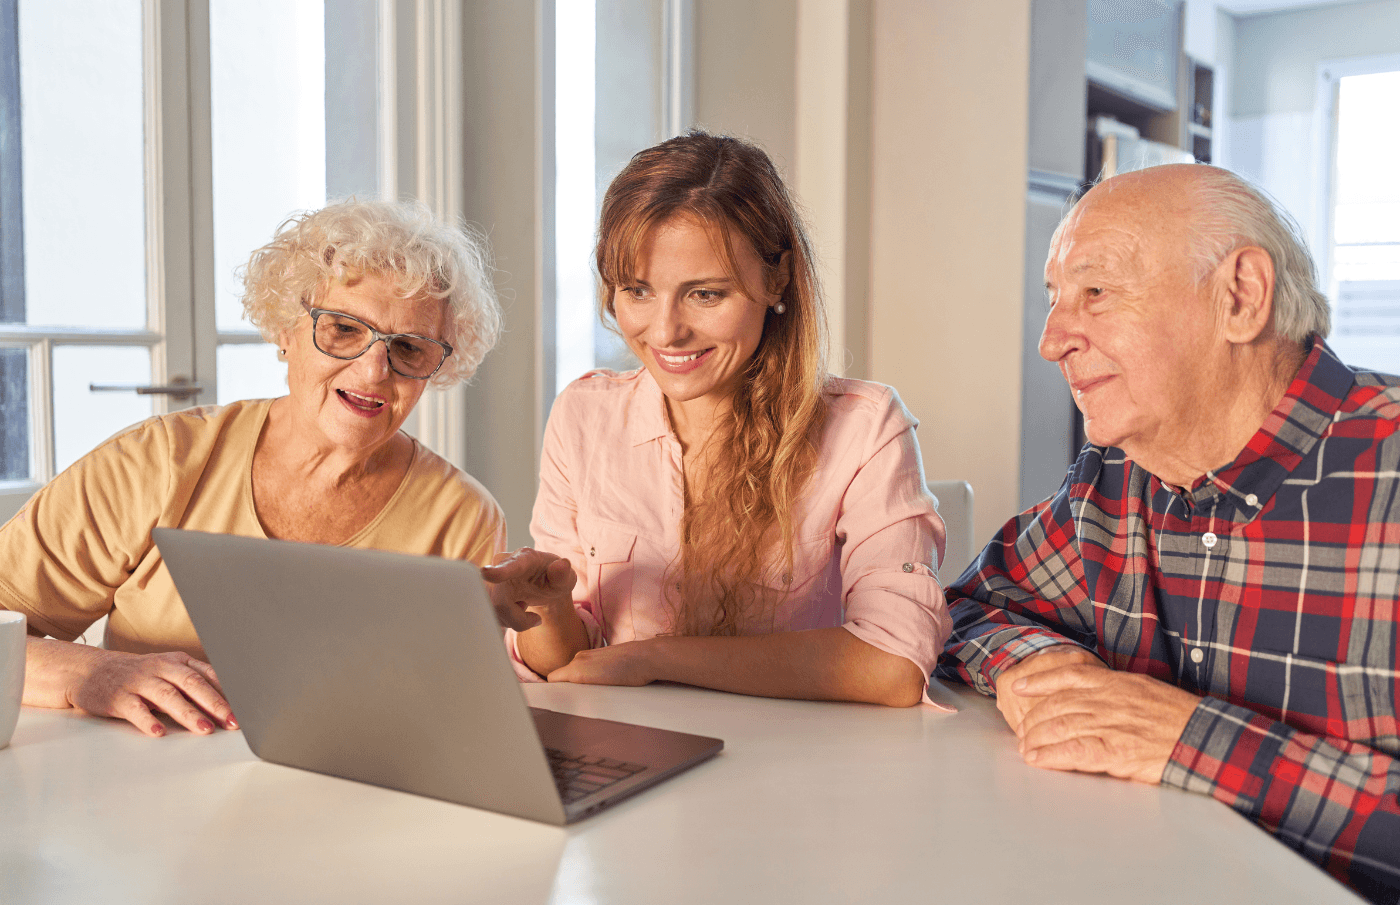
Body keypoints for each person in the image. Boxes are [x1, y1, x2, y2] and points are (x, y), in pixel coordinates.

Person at [936, 164, 1399, 901]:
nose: (1051, 341)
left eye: (1097, 293)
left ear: (1240, 298)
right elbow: (971, 608)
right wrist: (1041, 673)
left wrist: (1197, 744)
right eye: (1055, 301)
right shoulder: (1113, 482)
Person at [0, 200, 521, 738]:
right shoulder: (157, 462)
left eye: (408, 347)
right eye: (343, 329)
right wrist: (94, 673)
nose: (373, 370)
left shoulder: (463, 517)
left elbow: (455, 717)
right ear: (286, 330)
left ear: (434, 368)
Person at [484, 131, 951, 708]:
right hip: (637, 754)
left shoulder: (865, 428)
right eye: (638, 290)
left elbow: (892, 665)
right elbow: (569, 665)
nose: (664, 331)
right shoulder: (584, 415)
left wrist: (656, 657)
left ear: (776, 279)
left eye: (705, 295)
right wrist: (549, 608)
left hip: (806, 768)